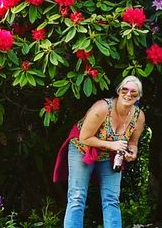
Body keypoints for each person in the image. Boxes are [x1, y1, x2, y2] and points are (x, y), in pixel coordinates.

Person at [53, 75, 145, 228]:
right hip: (81, 148)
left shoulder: (138, 117)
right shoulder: (101, 108)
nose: (128, 94)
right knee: (77, 197)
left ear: (138, 97)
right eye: (124, 90)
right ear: (118, 91)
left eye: (134, 93)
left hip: (109, 155)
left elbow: (133, 142)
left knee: (111, 198)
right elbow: (84, 138)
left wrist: (132, 152)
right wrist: (113, 145)